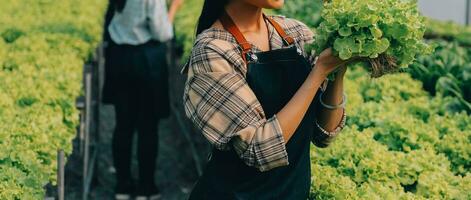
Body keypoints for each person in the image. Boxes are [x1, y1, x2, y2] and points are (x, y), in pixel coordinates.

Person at [181, 0, 351, 199]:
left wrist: (337, 70)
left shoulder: (295, 33)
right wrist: (319, 72)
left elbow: (325, 133)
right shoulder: (212, 51)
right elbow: (258, 150)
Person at [102, 0, 183, 199]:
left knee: (123, 124)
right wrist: (174, 8)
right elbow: (162, 32)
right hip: (146, 60)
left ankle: (123, 185)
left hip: (119, 57)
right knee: (147, 126)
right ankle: (146, 188)